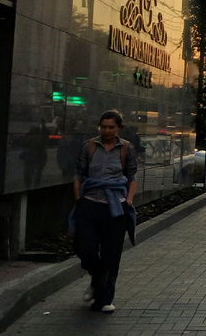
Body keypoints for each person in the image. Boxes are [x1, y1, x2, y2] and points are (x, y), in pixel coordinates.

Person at [72, 110, 137, 313]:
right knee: (85, 248)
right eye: (103, 126)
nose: (106, 130)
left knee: (111, 254)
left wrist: (128, 201)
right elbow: (79, 175)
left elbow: (132, 177)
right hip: (90, 203)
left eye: (111, 127)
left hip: (115, 206)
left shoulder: (126, 148)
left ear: (118, 128)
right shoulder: (89, 146)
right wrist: (79, 200)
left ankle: (104, 298)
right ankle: (96, 277)